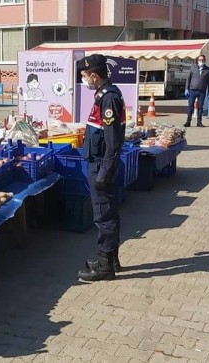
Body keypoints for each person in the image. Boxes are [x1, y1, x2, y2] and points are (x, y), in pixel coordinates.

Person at [76, 54, 126, 282]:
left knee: (103, 216)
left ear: (94, 76)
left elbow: (113, 141)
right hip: (97, 163)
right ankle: (110, 258)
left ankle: (105, 266)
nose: (84, 80)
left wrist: (105, 172)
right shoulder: (104, 96)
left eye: (85, 76)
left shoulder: (109, 99)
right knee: (107, 213)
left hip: (100, 166)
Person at [184, 54, 209, 127]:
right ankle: (188, 121)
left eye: (202, 60)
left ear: (204, 60)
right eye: (200, 60)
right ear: (197, 60)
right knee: (190, 106)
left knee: (200, 107)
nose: (201, 61)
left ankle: (199, 122)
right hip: (192, 90)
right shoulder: (193, 68)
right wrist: (186, 88)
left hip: (202, 91)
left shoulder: (207, 69)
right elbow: (188, 78)